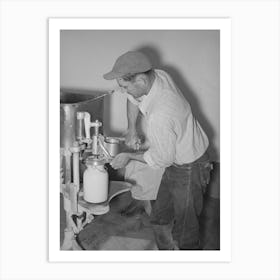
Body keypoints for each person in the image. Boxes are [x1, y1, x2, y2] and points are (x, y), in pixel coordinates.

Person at [103, 51, 212, 250]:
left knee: (186, 232)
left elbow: (162, 159)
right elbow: (132, 97)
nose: (121, 91)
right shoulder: (158, 76)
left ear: (141, 81)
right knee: (160, 219)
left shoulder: (161, 114)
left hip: (190, 167)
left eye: (124, 86)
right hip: (178, 160)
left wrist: (128, 156)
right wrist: (132, 128)